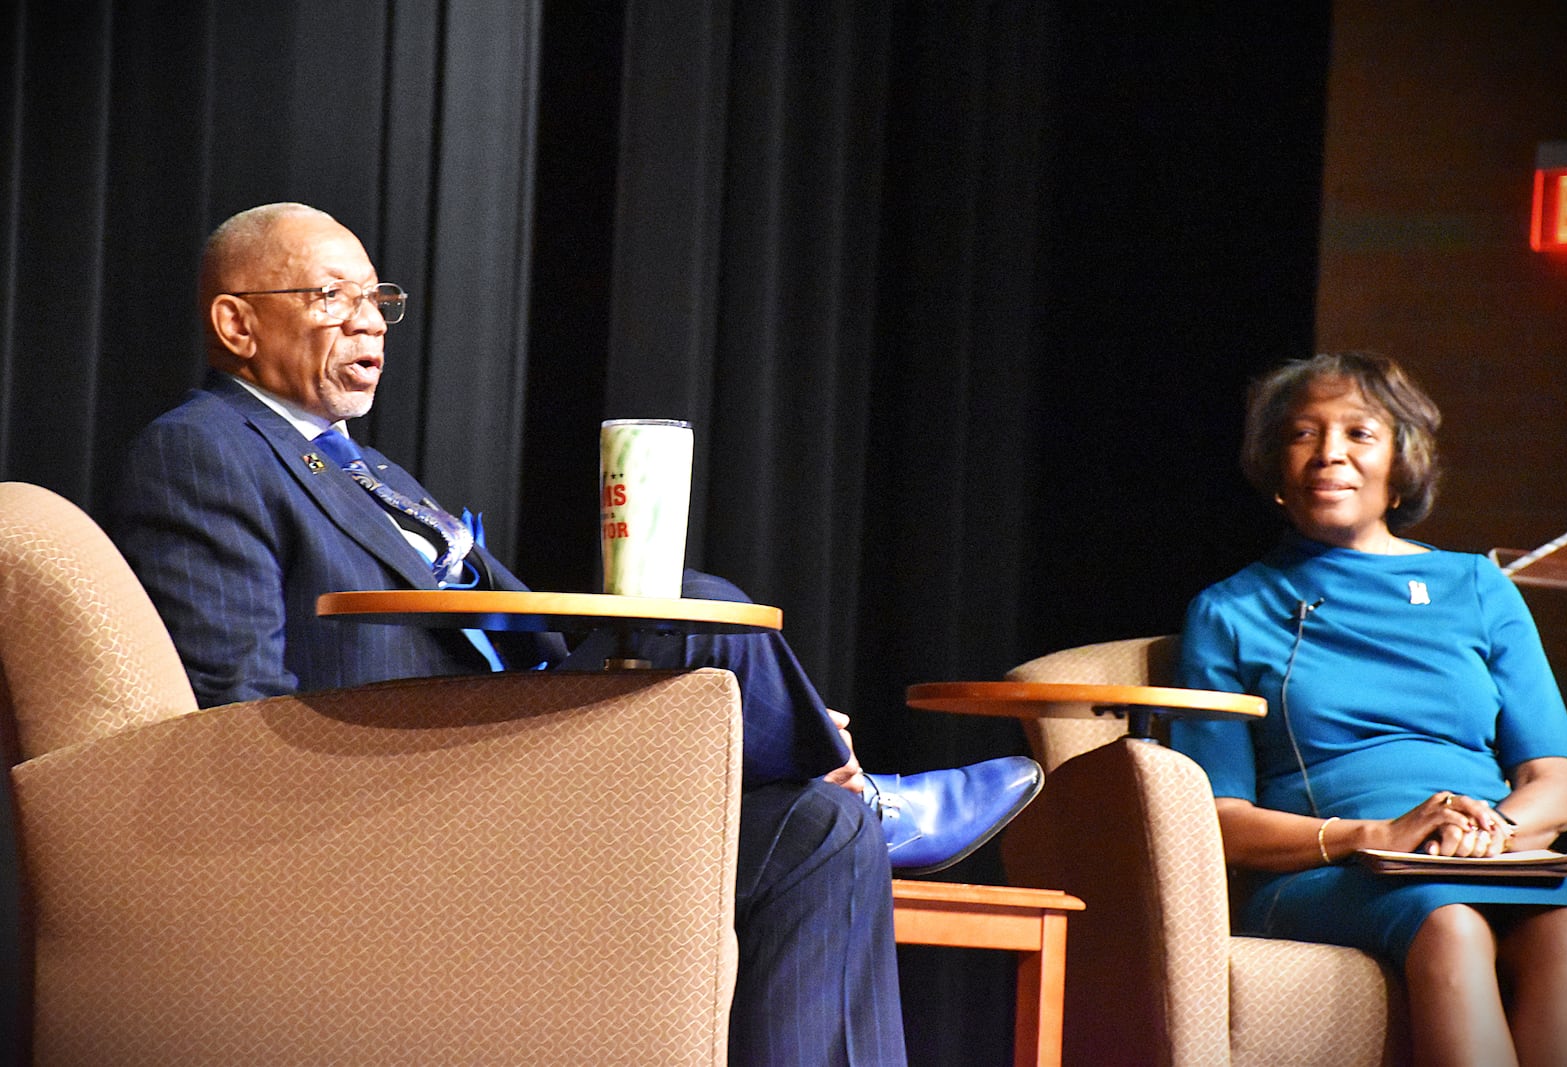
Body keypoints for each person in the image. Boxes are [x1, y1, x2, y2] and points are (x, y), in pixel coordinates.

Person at [110, 202, 1044, 1065]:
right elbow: (236, 711)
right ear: (236, 324)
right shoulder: (203, 448)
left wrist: (723, 729)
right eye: (331, 297)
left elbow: (526, 645)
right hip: (401, 802)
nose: (369, 321)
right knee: (698, 602)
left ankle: (846, 795)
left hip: (512, 758)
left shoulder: (365, 467)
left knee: (817, 824)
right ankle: (871, 794)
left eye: (377, 298)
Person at [1171, 351, 1567, 1067]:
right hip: (1328, 871)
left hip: (1489, 856)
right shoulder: (1232, 609)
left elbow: (1555, 784)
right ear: (1276, 467)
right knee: (1450, 923)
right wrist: (1382, 833)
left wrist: (1484, 834)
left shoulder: (1478, 587)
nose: (1328, 453)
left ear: (1402, 464)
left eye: (1359, 433)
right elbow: (1218, 819)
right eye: (1303, 434)